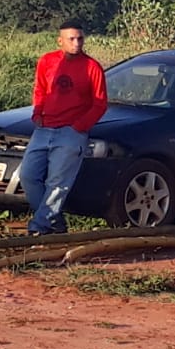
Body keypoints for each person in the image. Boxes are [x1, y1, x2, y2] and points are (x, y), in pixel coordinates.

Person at [21, 20, 107, 236]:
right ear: (60, 41)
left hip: (71, 132)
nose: (76, 43)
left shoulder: (92, 67)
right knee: (28, 176)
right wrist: (37, 114)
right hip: (44, 128)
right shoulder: (47, 61)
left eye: (80, 38)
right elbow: (40, 89)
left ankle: (39, 226)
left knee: (58, 183)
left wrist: (79, 126)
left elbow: (100, 104)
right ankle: (53, 220)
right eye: (71, 39)